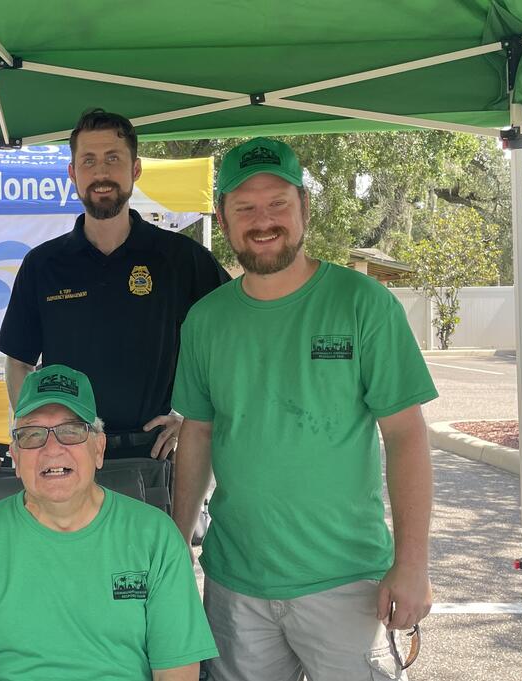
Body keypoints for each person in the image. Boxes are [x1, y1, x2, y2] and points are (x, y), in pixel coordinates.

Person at [170, 137, 438, 681]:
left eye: (278, 204)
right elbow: (196, 434)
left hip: (347, 582)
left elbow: (407, 435)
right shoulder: (204, 320)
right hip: (235, 582)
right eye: (244, 207)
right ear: (222, 220)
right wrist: (178, 543)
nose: (262, 220)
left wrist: (412, 563)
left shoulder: (362, 303)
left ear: (305, 210)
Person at [0, 364, 218, 681]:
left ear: (98, 449)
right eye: (32, 435)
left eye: (71, 431)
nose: (52, 449)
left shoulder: (156, 537)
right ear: (16, 458)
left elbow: (177, 672)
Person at [0, 109, 229, 460]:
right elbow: (18, 362)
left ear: (135, 169)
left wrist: (193, 419)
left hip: (155, 458)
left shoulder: (181, 258)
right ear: (73, 173)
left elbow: (233, 337)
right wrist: (32, 429)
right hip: (71, 457)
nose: (101, 172)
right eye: (88, 161)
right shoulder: (43, 265)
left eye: (113, 158)